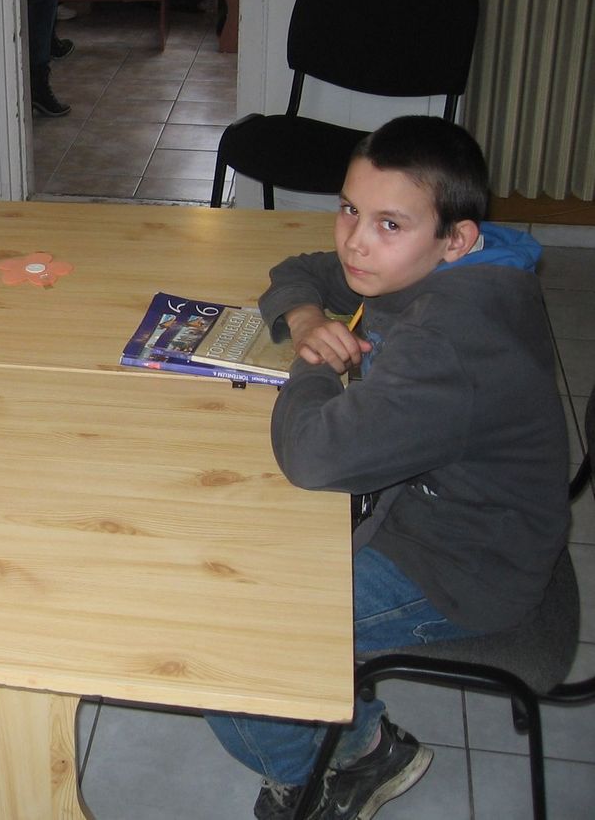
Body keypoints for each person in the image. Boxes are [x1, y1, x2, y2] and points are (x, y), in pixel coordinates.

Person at [205, 116, 570, 820]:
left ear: (455, 237)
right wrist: (309, 321)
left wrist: (314, 362)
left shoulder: (454, 341)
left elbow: (313, 456)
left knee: (229, 639)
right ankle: (350, 729)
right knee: (236, 541)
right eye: (349, 209)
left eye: (389, 224)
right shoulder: (450, 264)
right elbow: (301, 271)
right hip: (429, 508)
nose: (356, 242)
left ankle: (347, 761)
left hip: (460, 568)